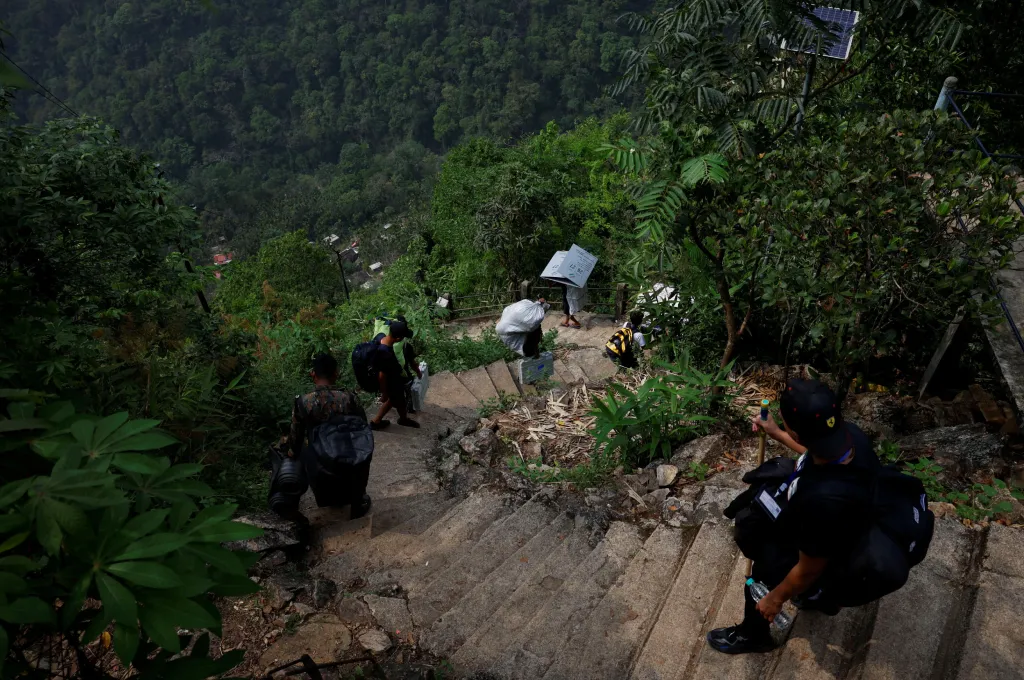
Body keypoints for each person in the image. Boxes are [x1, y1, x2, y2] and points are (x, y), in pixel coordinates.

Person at [707, 378, 881, 655]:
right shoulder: (851, 438)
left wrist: (775, 599)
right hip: (848, 528)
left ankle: (754, 635)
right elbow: (816, 454)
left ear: (797, 433)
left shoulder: (821, 501)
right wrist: (775, 432)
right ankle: (815, 596)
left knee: (765, 571)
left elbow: (808, 566)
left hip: (820, 537)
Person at [287, 353, 373, 519]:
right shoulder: (349, 398)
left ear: (313, 374)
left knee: (305, 450)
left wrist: (291, 455)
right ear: (336, 373)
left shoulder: (304, 402)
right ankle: (357, 503)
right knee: (362, 453)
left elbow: (295, 436)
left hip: (321, 461)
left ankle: (327, 497)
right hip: (350, 455)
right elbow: (363, 427)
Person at [369, 319, 420, 430]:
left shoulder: (381, 338)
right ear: (398, 338)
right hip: (390, 383)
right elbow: (382, 376)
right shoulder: (385, 353)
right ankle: (399, 420)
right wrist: (384, 393)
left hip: (392, 381)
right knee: (397, 400)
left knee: (395, 400)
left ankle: (378, 420)